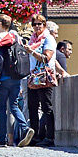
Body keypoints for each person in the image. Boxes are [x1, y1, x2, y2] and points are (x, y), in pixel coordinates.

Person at [0, 14, 29, 147]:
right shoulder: (16, 37)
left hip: (3, 79)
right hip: (16, 77)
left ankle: (1, 139)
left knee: (1, 108)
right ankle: (25, 127)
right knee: (14, 106)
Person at [21, 16, 57, 148]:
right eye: (35, 24)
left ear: (44, 25)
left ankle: (50, 136)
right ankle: (35, 136)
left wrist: (32, 52)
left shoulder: (48, 39)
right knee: (32, 106)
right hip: (33, 76)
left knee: (47, 107)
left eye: (40, 24)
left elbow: (46, 58)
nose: (37, 27)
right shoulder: (32, 39)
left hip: (44, 76)